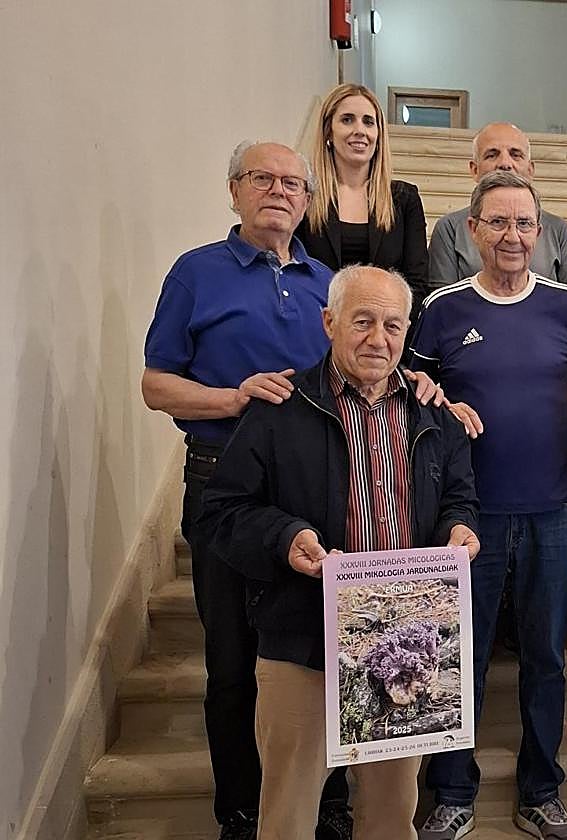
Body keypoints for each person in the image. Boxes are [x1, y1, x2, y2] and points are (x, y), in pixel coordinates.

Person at [197, 265, 480, 840]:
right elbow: (221, 511)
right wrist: (285, 537)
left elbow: (459, 498)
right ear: (328, 323)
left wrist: (459, 530)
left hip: (404, 647)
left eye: (393, 326)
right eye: (363, 322)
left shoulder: (435, 417)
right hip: (301, 643)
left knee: (390, 816)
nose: (379, 339)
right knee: (287, 817)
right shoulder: (278, 409)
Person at [141, 140, 347, 840]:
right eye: (264, 178)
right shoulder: (196, 273)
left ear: (308, 201)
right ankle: (240, 812)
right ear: (234, 190)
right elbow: (155, 384)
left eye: (294, 182)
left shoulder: (328, 281)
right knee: (232, 663)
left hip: (320, 492)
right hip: (223, 489)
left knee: (325, 657)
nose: (280, 191)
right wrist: (233, 399)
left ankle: (327, 807)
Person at [411, 171, 567, 840]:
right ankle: (453, 792)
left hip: (554, 510)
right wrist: (437, 400)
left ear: (539, 233)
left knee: (547, 656)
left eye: (524, 224)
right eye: (498, 223)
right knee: (464, 657)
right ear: (473, 230)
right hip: (470, 518)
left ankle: (540, 791)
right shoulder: (443, 309)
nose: (512, 236)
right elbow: (414, 387)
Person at [297, 84, 430, 306]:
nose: (360, 130)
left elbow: (416, 284)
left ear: (379, 134)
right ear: (328, 131)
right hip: (316, 328)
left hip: (384, 333)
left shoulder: (404, 199)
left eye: (368, 122)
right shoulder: (305, 195)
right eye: (347, 120)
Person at [428, 122, 567, 299]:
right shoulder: (450, 228)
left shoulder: (557, 229)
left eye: (516, 155)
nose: (505, 164)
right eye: (492, 155)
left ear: (530, 169)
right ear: (474, 169)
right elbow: (443, 304)